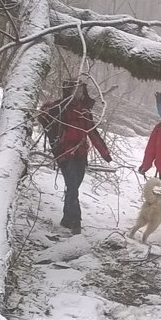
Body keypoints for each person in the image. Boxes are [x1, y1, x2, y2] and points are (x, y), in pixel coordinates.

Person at [38, 80, 112, 234]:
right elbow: (43, 119)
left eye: (81, 90)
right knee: (72, 186)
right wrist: (44, 110)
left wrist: (105, 154)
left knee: (73, 187)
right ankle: (76, 222)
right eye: (75, 90)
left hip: (81, 154)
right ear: (68, 91)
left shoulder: (85, 110)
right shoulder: (60, 107)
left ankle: (66, 219)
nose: (79, 93)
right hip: (65, 153)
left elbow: (92, 132)